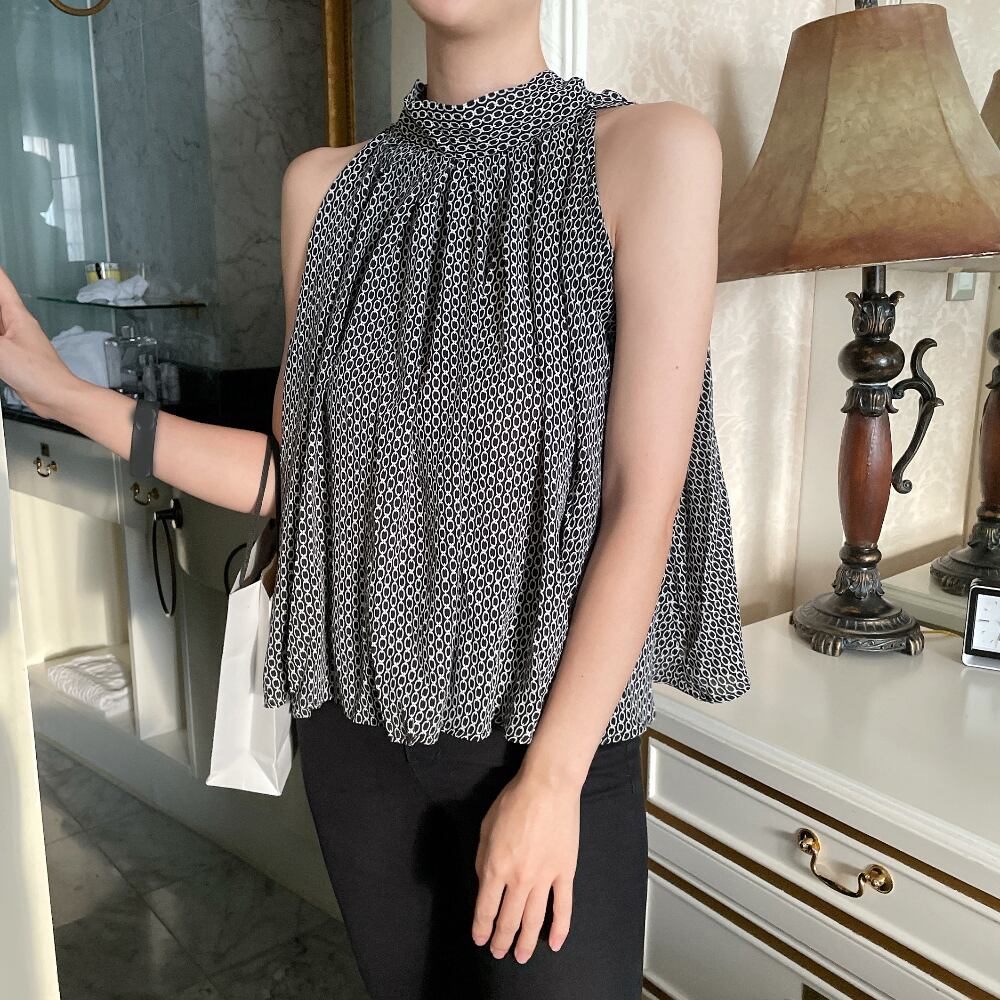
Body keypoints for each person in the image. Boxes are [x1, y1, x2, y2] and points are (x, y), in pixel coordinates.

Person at [0, 1, 749, 996]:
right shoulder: (322, 188)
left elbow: (640, 496)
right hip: (357, 747)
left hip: (548, 737)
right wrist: (64, 396)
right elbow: (302, 483)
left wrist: (552, 777)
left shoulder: (654, 154)